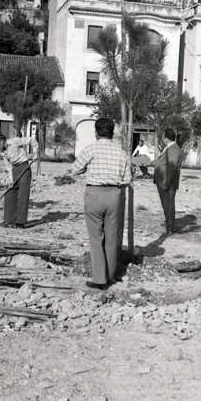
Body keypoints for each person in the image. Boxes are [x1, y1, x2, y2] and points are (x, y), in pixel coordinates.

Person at [69, 118, 132, 289]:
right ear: (112, 133)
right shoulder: (121, 153)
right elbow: (127, 179)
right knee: (112, 238)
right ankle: (111, 275)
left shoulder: (91, 149)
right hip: (114, 195)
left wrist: (87, 169)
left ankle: (99, 278)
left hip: (94, 194)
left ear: (96, 132)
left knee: (96, 238)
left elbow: (74, 169)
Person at [0, 132, 39, 228]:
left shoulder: (14, 141)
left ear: (1, 140)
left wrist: (35, 153)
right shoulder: (3, 153)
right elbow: (9, 167)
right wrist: (11, 180)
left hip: (24, 167)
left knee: (22, 195)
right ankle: (9, 220)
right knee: (10, 194)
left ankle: (20, 222)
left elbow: (32, 140)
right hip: (15, 170)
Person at [153, 128, 182, 235]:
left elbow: (172, 167)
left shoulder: (173, 149)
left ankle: (170, 228)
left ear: (166, 137)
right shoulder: (169, 148)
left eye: (163, 135)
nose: (162, 138)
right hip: (164, 181)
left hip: (167, 183)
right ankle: (169, 226)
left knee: (168, 205)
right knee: (166, 204)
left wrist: (165, 183)